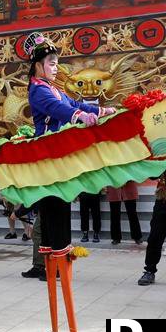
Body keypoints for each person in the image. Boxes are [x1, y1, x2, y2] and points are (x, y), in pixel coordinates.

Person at [24, 32, 113, 263]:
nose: (56, 68)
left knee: (59, 208)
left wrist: (101, 111)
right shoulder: (38, 89)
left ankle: (54, 261)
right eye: (51, 64)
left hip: (57, 154)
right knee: (54, 209)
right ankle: (55, 262)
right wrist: (79, 116)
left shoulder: (52, 87)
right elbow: (58, 109)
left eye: (56, 64)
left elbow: (73, 103)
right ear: (38, 66)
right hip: (48, 155)